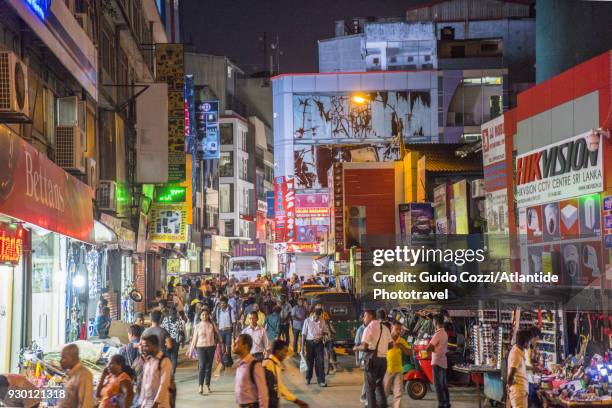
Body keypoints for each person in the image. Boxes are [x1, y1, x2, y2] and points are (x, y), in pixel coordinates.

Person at [354, 309, 392, 408]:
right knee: (379, 385)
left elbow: (364, 346)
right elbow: (391, 345)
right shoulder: (385, 328)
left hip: (372, 361)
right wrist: (382, 349)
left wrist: (356, 348)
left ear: (371, 316)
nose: (363, 318)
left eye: (365, 316)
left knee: (370, 388)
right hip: (383, 361)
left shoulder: (369, 328)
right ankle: (383, 405)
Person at [263, 340, 309, 408]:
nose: (286, 354)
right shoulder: (268, 364)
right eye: (285, 351)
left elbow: (279, 386)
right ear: (277, 351)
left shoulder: (275, 364)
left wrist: (296, 400)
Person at [189, 310, 221, 395]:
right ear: (200, 316)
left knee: (209, 366)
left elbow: (217, 332)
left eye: (206, 314)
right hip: (201, 347)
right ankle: (200, 385)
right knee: (202, 365)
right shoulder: (197, 326)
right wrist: (191, 350)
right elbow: (194, 339)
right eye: (203, 315)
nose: (204, 316)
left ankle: (207, 384)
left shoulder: (211, 325)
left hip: (211, 347)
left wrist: (213, 321)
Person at [234, 333, 269, 408]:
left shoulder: (255, 365)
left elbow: (263, 392)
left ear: (245, 346)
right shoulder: (240, 364)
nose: (234, 345)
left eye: (237, 343)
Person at [140, 334, 174, 408]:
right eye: (142, 346)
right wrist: (141, 402)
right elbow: (144, 384)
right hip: (146, 403)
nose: (143, 348)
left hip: (160, 405)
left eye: (146, 346)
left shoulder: (165, 361)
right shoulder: (148, 361)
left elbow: (164, 384)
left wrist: (156, 403)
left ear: (155, 346)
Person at [59, 344, 94, 408]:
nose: (60, 361)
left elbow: (86, 404)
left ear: (73, 358)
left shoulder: (84, 375)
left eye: (64, 358)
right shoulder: (72, 374)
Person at [301, 306, 329, 387]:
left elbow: (325, 332)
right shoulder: (307, 321)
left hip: (319, 344)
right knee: (309, 362)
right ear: (313, 313)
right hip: (309, 343)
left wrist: (320, 337)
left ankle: (321, 380)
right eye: (316, 315)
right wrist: (302, 349)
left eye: (319, 315)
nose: (317, 318)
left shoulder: (322, 321)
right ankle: (308, 378)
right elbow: (303, 335)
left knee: (320, 362)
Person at [385, 321, 409, 408]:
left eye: (400, 329)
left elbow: (409, 352)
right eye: (396, 329)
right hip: (387, 370)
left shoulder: (402, 340)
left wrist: (401, 346)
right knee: (384, 393)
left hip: (398, 370)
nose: (398, 331)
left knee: (398, 394)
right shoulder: (386, 338)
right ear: (391, 328)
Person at [427, 314, 450, 408]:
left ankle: (441, 404)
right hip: (443, 361)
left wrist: (430, 351)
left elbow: (429, 348)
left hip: (436, 362)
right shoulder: (444, 333)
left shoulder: (438, 334)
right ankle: (447, 403)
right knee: (444, 384)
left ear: (435, 322)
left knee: (437, 385)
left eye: (433, 321)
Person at [508, 329, 531, 408]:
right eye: (529, 342)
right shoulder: (516, 354)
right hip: (519, 392)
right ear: (525, 342)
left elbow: (520, 367)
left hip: (520, 390)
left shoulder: (518, 350)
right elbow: (511, 375)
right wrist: (510, 386)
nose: (530, 344)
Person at [161, 306, 185, 374]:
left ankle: (168, 372)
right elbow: (181, 331)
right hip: (176, 341)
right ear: (176, 312)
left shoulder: (166, 319)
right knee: (174, 357)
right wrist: (182, 341)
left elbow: (162, 329)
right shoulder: (179, 319)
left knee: (168, 357)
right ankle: (172, 373)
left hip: (167, 340)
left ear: (169, 312)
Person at [354, 319, 368, 404]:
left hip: (370, 357)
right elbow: (356, 345)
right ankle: (363, 396)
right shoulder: (360, 330)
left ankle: (367, 396)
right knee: (367, 378)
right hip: (363, 357)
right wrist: (357, 360)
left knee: (369, 378)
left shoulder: (371, 328)